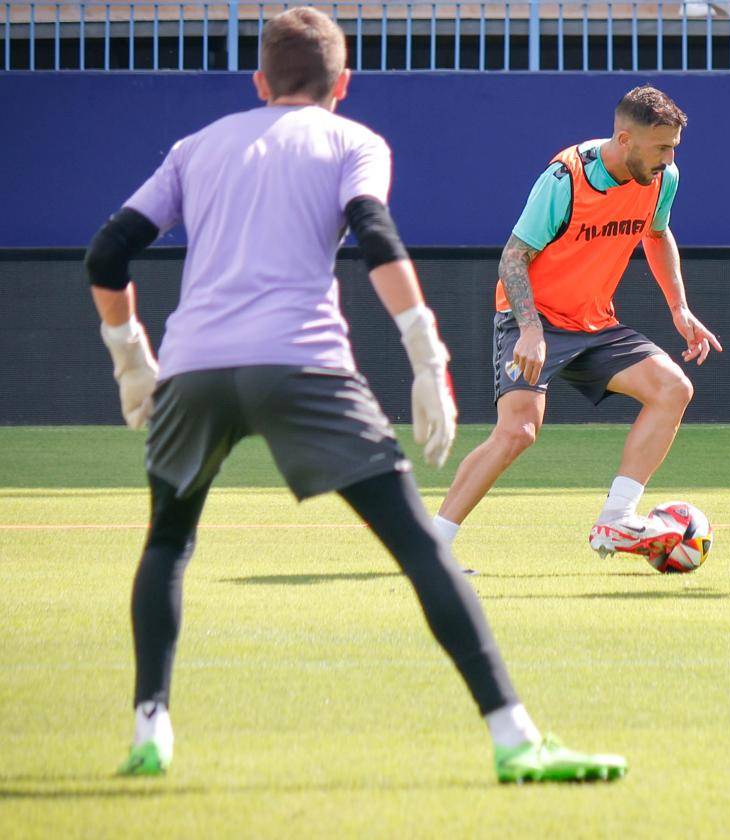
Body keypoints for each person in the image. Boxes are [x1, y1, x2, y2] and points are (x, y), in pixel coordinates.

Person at [85, 6, 625, 783]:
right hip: (302, 365)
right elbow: (375, 236)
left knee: (167, 541)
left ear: (259, 80)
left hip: (194, 369)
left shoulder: (194, 148)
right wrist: (425, 354)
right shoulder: (353, 141)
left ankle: (150, 731)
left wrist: (132, 360)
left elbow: (108, 253)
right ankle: (515, 739)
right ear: (344, 83)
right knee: (415, 546)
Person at [429, 85, 723, 563]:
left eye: (673, 148)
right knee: (517, 433)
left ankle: (616, 519)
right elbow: (513, 259)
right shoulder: (566, 179)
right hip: (532, 318)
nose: (669, 159)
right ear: (625, 140)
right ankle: (434, 546)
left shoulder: (662, 178)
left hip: (594, 322)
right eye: (661, 147)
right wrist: (529, 329)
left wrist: (679, 308)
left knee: (674, 388)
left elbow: (657, 232)